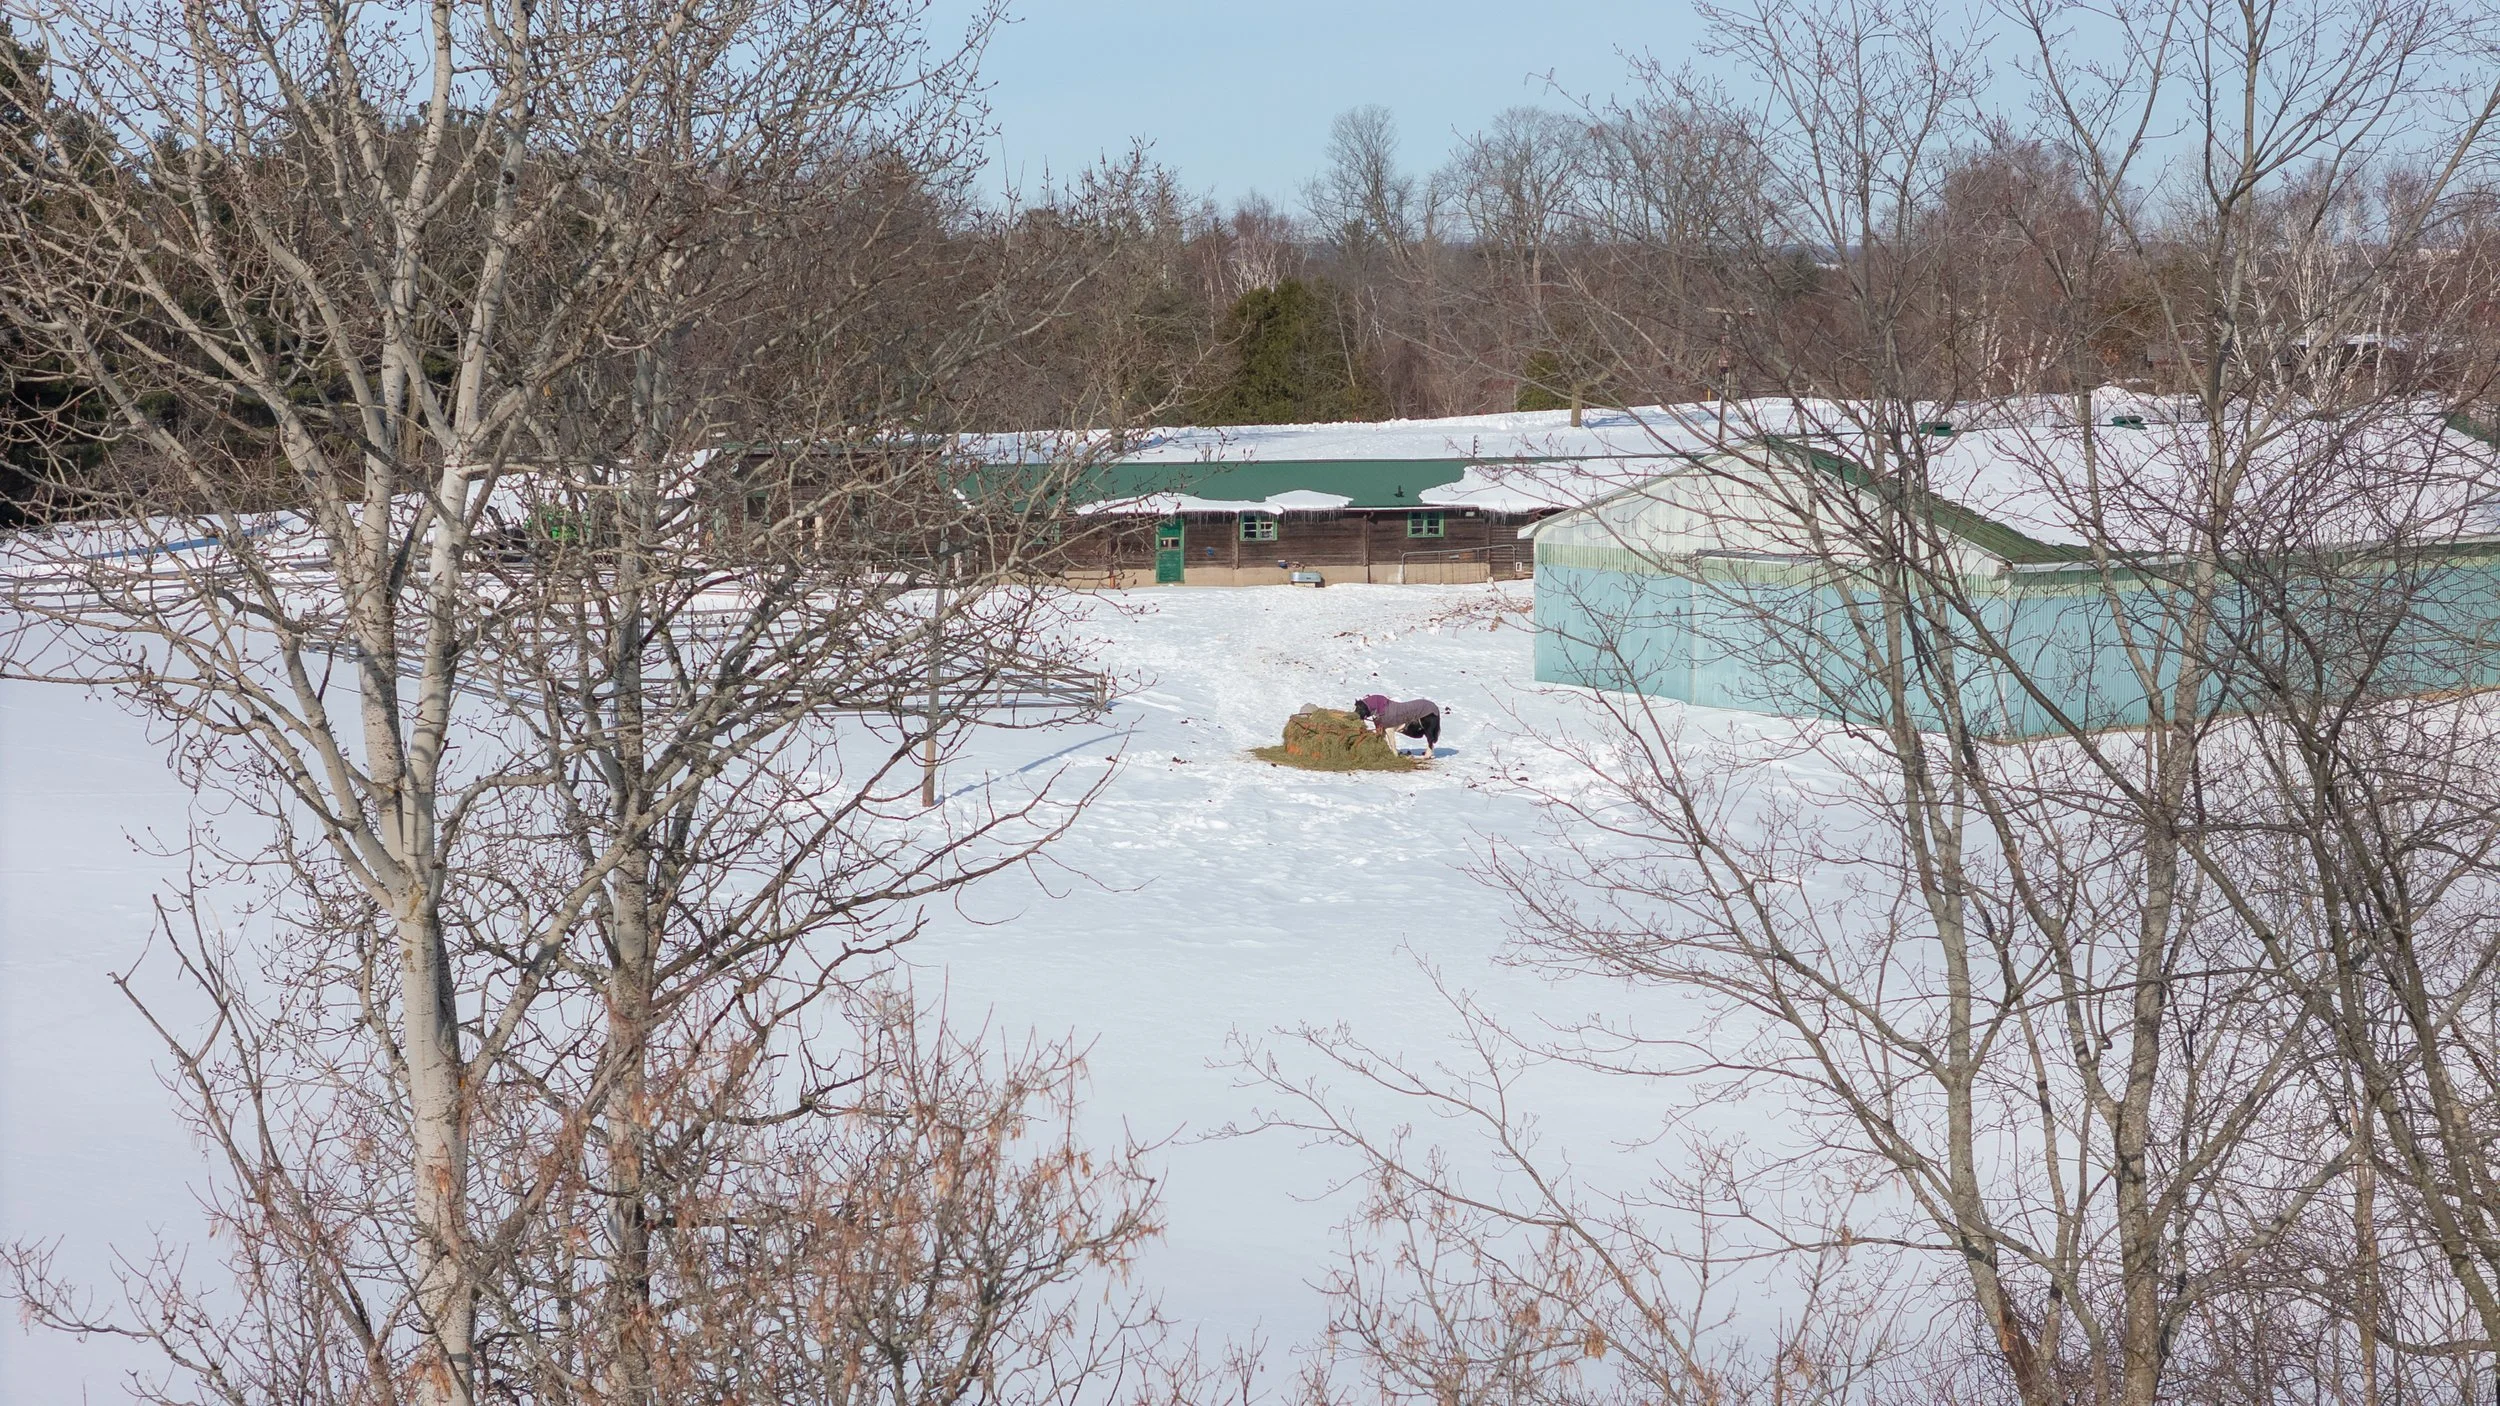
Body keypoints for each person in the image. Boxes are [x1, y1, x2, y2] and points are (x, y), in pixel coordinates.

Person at [1353, 694, 1442, 752]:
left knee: (1429, 731)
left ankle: (1429, 750)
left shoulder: (1386, 715)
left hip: (1428, 710)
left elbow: (1389, 731)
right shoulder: (1379, 714)